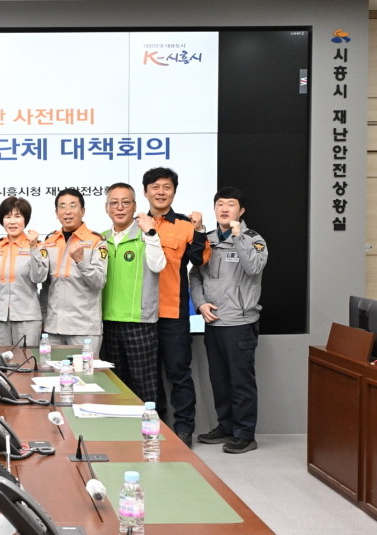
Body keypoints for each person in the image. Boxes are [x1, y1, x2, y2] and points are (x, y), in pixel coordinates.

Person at [190, 187, 267, 454]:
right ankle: (225, 426)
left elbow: (254, 267)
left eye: (230, 204)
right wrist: (200, 303)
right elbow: (195, 275)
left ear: (241, 211)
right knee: (220, 380)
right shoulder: (208, 240)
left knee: (240, 382)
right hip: (213, 321)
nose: (224, 209)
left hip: (240, 323)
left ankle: (244, 434)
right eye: (220, 204)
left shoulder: (253, 239)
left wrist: (238, 237)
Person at [142, 167, 209, 448]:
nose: (160, 192)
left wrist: (200, 230)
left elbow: (200, 260)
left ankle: (184, 430)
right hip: (141, 314)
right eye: (155, 187)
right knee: (148, 376)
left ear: (174, 192)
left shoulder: (184, 225)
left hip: (173, 312)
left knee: (179, 374)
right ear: (145, 192)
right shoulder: (136, 224)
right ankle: (157, 427)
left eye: (166, 187)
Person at [100, 183, 165, 404]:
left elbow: (158, 265)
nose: (119, 208)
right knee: (114, 387)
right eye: (114, 203)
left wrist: (152, 233)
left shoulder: (147, 236)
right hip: (108, 321)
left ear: (135, 206)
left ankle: (151, 426)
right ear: (106, 208)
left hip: (139, 322)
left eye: (125, 202)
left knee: (144, 386)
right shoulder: (100, 239)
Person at [40, 188, 108, 348]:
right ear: (56, 213)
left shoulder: (97, 241)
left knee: (86, 366)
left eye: (73, 206)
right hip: (53, 328)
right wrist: (43, 318)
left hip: (84, 329)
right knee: (50, 365)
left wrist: (81, 261)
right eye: (62, 206)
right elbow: (46, 286)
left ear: (82, 211)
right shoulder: (50, 241)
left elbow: (99, 282)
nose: (68, 211)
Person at [0, 196, 48, 347]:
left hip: (28, 319)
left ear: (25, 220)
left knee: (27, 360)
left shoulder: (38, 246)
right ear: (2, 220)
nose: (12, 222)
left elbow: (39, 277)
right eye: (7, 216)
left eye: (17, 216)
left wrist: (33, 248)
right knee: (0, 360)